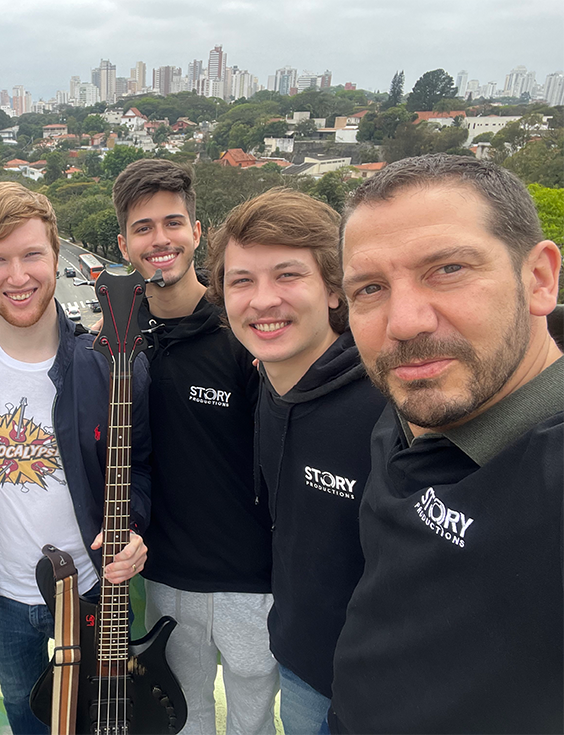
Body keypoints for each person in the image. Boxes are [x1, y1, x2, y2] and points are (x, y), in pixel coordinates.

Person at [327, 154, 564, 734]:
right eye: (370, 288)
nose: (404, 322)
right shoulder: (412, 403)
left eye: (448, 269)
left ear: (539, 279)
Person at [0, 182, 150, 735]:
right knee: (24, 716)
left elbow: (141, 464)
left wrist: (134, 528)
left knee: (102, 717)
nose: (18, 276)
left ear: (57, 255)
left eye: (32, 254)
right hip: (1, 599)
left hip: (96, 591)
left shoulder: (109, 364)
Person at [204, 189, 386, 735]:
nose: (263, 301)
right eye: (241, 281)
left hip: (385, 691)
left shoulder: (389, 405)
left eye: (287, 275)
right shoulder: (268, 383)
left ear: (333, 288)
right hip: (303, 667)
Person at [112, 159, 277, 735]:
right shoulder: (119, 343)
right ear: (124, 244)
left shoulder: (244, 333)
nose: (160, 239)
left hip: (252, 580)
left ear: (197, 232)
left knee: (253, 723)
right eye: (143, 228)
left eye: (173, 223)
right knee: (182, 722)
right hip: (167, 579)